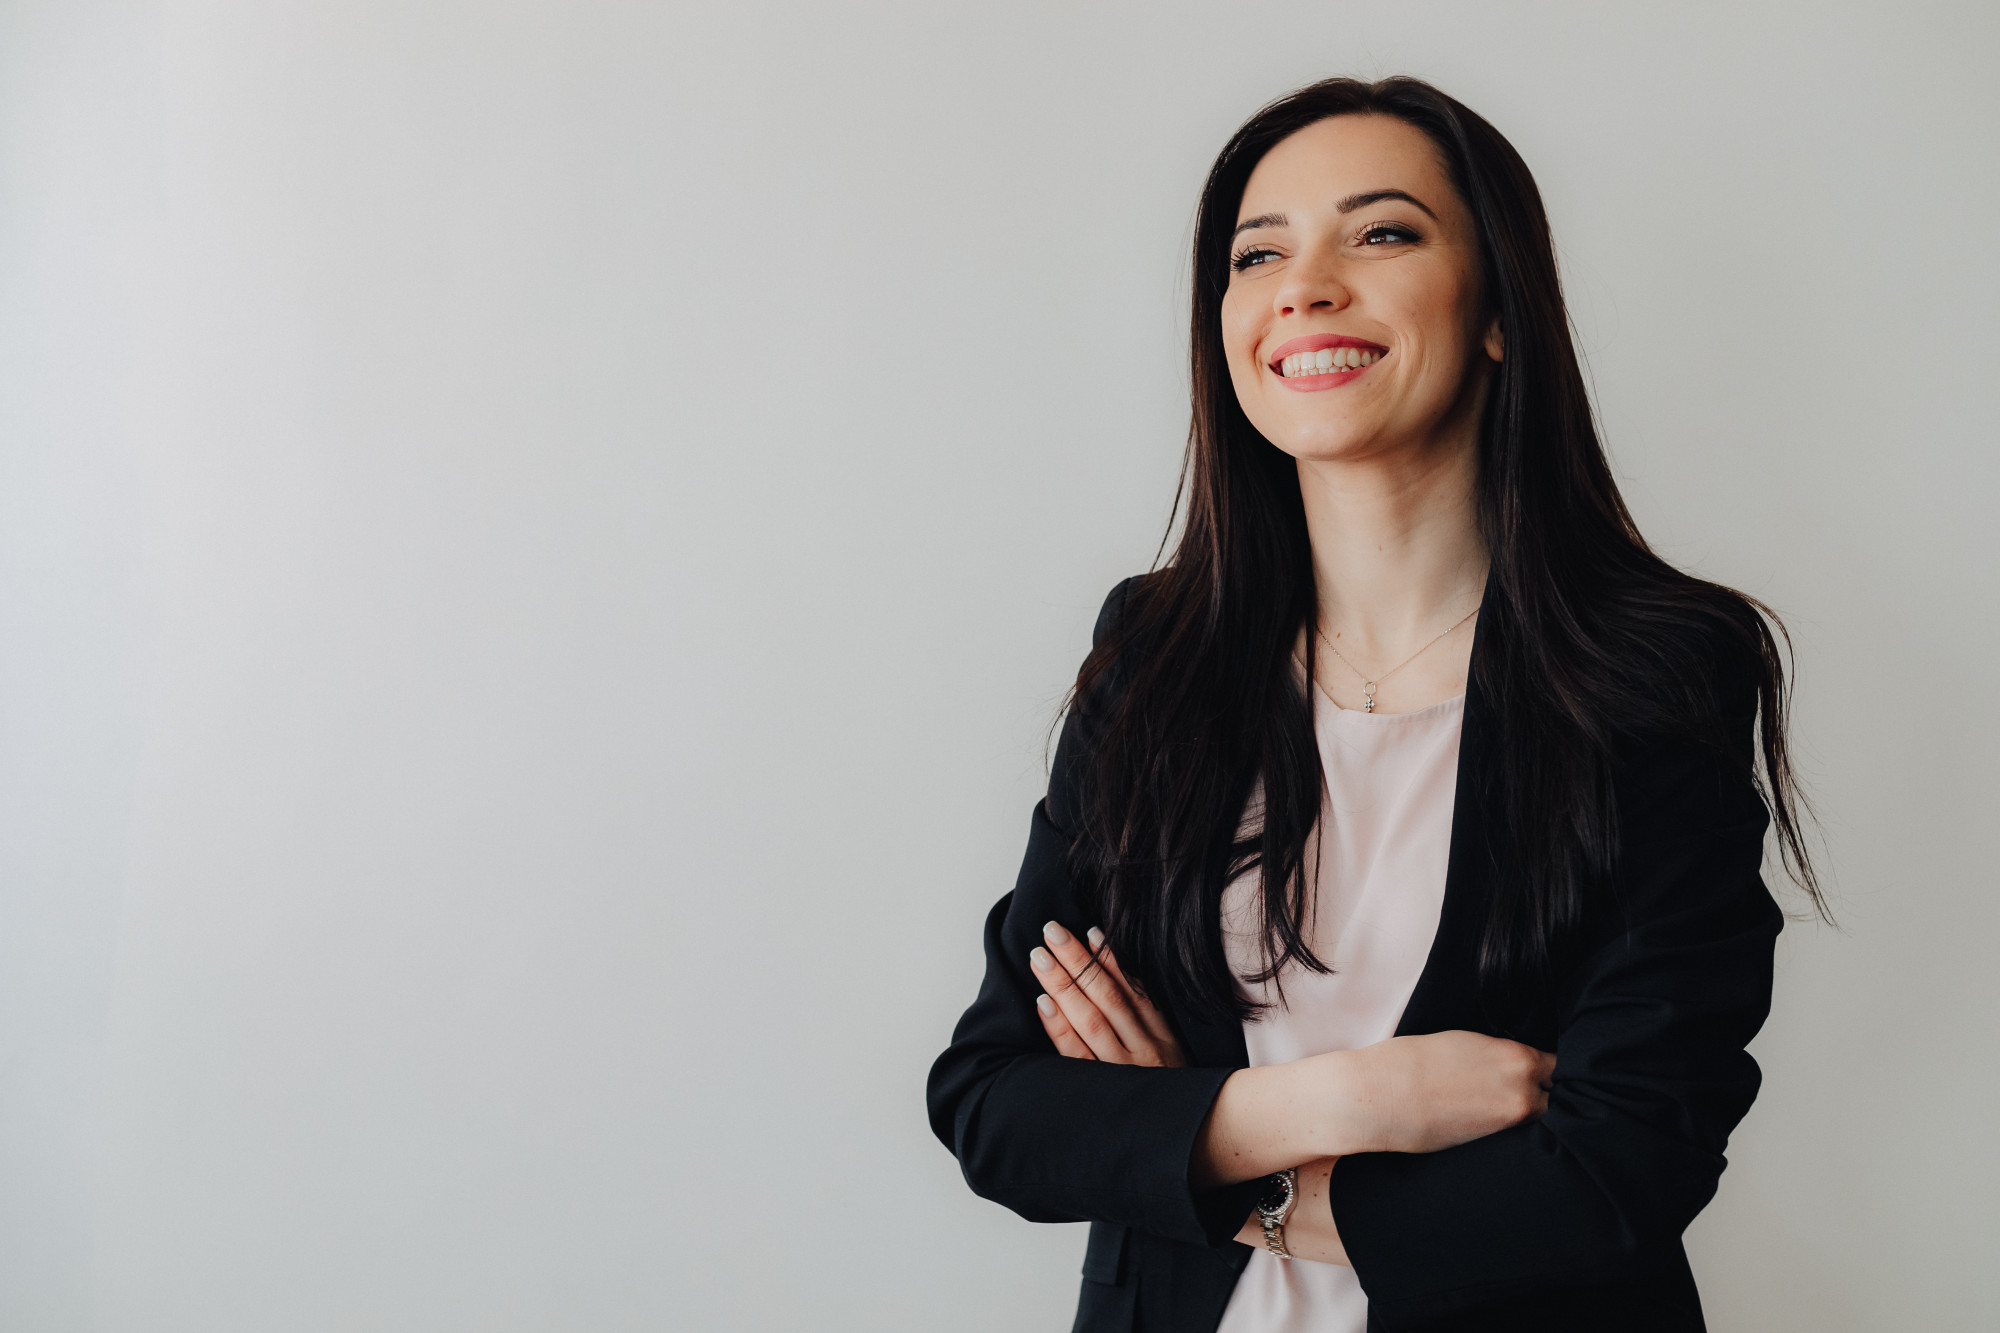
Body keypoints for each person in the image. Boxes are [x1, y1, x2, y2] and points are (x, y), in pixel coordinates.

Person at [925, 76, 1823, 1333]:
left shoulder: (1654, 671)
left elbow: (1618, 1168)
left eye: (1381, 232)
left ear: (1498, 309)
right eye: (1257, 254)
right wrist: (1355, 1101)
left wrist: (1194, 1148)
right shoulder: (1154, 658)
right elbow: (995, 1101)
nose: (1302, 286)